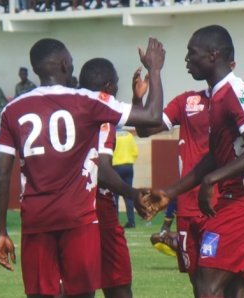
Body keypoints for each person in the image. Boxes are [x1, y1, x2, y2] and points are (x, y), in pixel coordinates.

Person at [0, 37, 165, 297]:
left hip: (36, 219)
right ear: (64, 64)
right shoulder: (88, 100)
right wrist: (154, 69)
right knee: (83, 293)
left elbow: (0, 173)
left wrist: (1, 230)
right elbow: (152, 117)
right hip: (79, 218)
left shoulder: (12, 109)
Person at [144, 25, 244, 298]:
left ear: (213, 55)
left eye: (192, 53)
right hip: (237, 202)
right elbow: (217, 156)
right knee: (233, 291)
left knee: (207, 286)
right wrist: (170, 192)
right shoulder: (217, 96)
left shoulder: (234, 90)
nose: (186, 60)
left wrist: (212, 180)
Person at [133, 49, 214, 286]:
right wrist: (139, 99)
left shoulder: (235, 98)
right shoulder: (187, 101)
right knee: (198, 283)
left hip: (221, 205)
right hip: (188, 206)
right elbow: (146, 129)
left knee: (220, 283)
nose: (187, 59)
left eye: (193, 53)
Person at [78, 57, 147, 298]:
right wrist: (133, 193)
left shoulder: (67, 110)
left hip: (67, 207)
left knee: (77, 286)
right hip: (98, 208)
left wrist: (137, 99)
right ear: (108, 88)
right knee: (117, 283)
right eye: (115, 86)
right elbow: (104, 171)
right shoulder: (103, 116)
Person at [112, 128, 139, 228]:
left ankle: (115, 222)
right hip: (128, 166)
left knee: (114, 196)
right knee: (128, 195)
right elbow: (135, 152)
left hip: (115, 166)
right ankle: (131, 222)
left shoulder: (112, 134)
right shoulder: (129, 135)